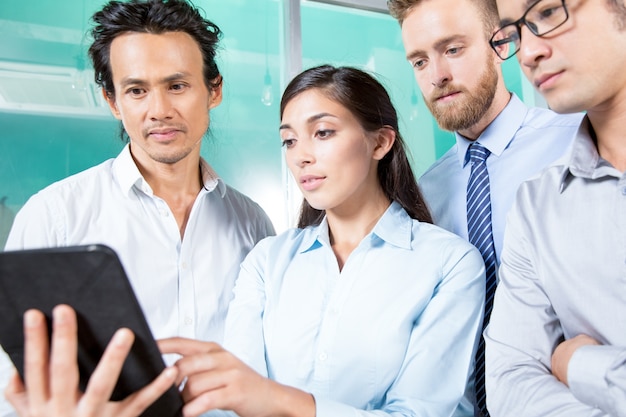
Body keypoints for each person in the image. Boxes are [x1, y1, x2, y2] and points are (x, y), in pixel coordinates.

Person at [7, 64, 486, 417]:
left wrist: (275, 399)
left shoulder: (447, 263)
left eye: (322, 133)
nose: (301, 156)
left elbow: (423, 413)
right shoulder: (268, 259)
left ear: (380, 142)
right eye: (289, 140)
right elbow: (230, 403)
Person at [0, 0, 274, 415]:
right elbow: (13, 374)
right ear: (113, 101)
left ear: (213, 90)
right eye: (136, 90)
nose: (159, 110)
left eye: (177, 85)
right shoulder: (54, 216)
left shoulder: (253, 224)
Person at [386, 0, 582, 415]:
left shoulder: (575, 146)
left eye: (453, 49)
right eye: (420, 61)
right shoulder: (425, 193)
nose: (437, 75)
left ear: (501, 43)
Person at [483, 0, 626, 416]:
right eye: (515, 33)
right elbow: (510, 386)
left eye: (547, 13)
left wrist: (582, 365)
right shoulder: (536, 203)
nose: (528, 53)